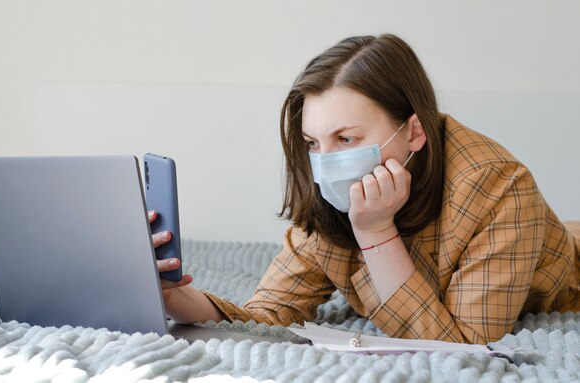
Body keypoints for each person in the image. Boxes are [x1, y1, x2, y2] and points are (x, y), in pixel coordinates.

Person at [149, 34, 580, 345]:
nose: (326, 162)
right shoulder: (329, 194)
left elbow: (463, 346)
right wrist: (179, 298)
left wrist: (376, 234)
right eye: (312, 143)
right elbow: (268, 316)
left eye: (347, 139)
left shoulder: (499, 187)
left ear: (413, 131)